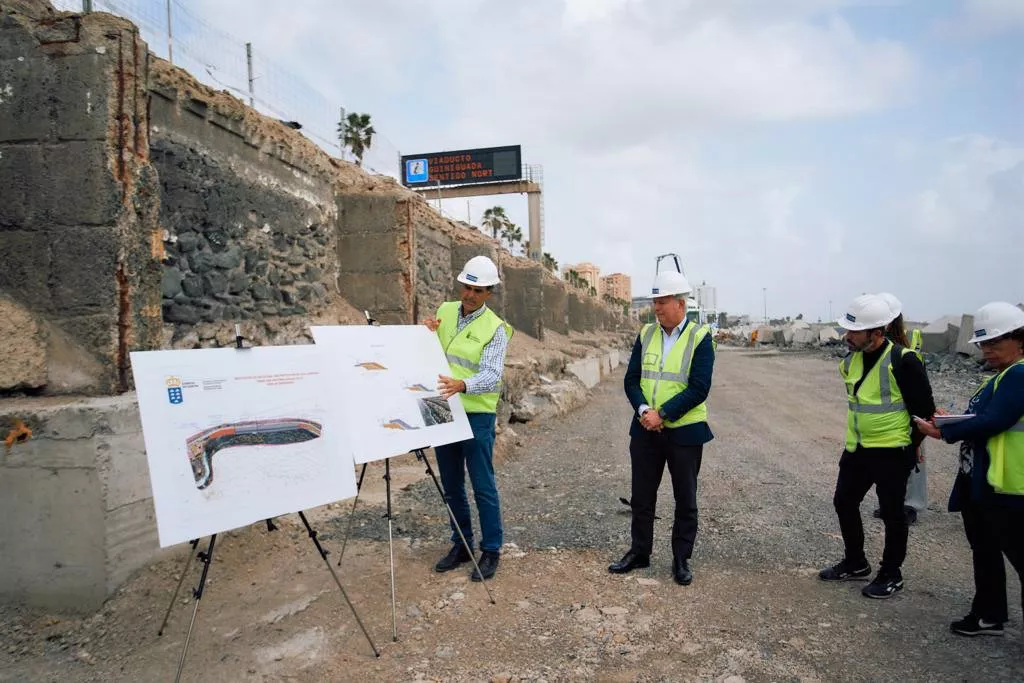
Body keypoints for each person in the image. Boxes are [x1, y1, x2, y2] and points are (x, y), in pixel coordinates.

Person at [916, 302, 1024, 636]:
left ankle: (990, 614)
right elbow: (982, 417)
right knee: (985, 551)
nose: (986, 350)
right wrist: (953, 419)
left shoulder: (1020, 374)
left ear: (1020, 340)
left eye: (994, 342)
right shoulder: (1001, 376)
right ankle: (989, 615)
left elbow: (995, 421)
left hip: (1008, 487)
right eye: (982, 343)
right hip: (985, 482)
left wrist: (943, 430)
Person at [819, 294, 935, 598]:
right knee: (844, 502)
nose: (848, 336)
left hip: (893, 451)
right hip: (858, 449)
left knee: (892, 513)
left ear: (877, 333)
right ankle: (856, 562)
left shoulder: (904, 360)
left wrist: (914, 446)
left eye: (854, 332)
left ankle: (891, 572)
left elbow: (923, 410)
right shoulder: (850, 361)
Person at [609, 268, 715, 586]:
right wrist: (644, 410)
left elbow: (699, 387)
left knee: (686, 499)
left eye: (663, 301)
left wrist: (663, 414)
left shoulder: (700, 337)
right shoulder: (646, 334)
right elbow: (631, 380)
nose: (656, 307)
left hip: (684, 432)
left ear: (680, 304)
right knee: (641, 496)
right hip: (645, 429)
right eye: (655, 301)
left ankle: (681, 559)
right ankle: (640, 553)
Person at [422, 255, 513, 581]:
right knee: (451, 484)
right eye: (467, 286)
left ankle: (491, 549)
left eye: (478, 290)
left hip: (475, 411)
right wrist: (427, 332)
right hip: (440, 404)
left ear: (489, 292)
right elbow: (430, 349)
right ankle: (461, 544)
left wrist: (463, 385)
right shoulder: (445, 311)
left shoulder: (497, 329)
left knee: (482, 485)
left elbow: (492, 376)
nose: (470, 294)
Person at [873, 292, 927, 525]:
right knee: (886, 459)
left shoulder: (908, 343)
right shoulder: (875, 344)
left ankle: (911, 505)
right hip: (887, 410)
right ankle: (890, 502)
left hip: (909, 407)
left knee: (914, 458)